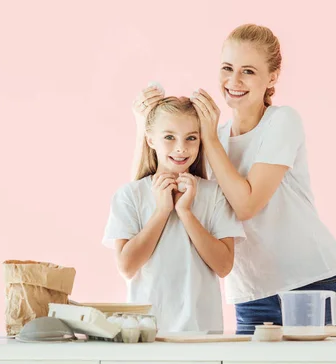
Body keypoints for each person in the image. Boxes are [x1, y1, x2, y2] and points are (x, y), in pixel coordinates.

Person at [132, 24, 336, 334]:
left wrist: (211, 139)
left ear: (272, 77)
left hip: (313, 284)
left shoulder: (281, 122)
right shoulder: (213, 136)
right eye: (227, 68)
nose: (234, 81)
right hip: (251, 295)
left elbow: (246, 205)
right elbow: (153, 185)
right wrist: (142, 128)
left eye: (248, 71)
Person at [104, 96, 245, 332]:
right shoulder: (130, 195)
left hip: (202, 333)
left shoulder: (214, 194)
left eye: (191, 138)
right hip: (146, 334)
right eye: (169, 137)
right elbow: (127, 266)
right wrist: (162, 211)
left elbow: (223, 266)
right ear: (150, 140)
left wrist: (186, 213)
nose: (181, 147)